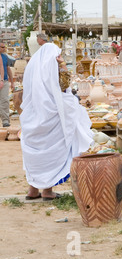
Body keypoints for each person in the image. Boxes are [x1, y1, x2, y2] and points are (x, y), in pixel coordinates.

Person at [20, 43, 93, 201]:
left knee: (35, 153)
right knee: (51, 150)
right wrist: (62, 65)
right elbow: (64, 86)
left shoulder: (34, 70)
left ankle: (32, 190)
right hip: (52, 114)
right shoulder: (55, 68)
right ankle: (47, 191)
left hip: (33, 114)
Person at [0, 42, 14, 127]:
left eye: (4, 47)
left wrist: (12, 82)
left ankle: (5, 121)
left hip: (4, 81)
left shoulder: (5, 57)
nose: (4, 48)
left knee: (4, 101)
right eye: (2, 47)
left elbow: (8, 69)